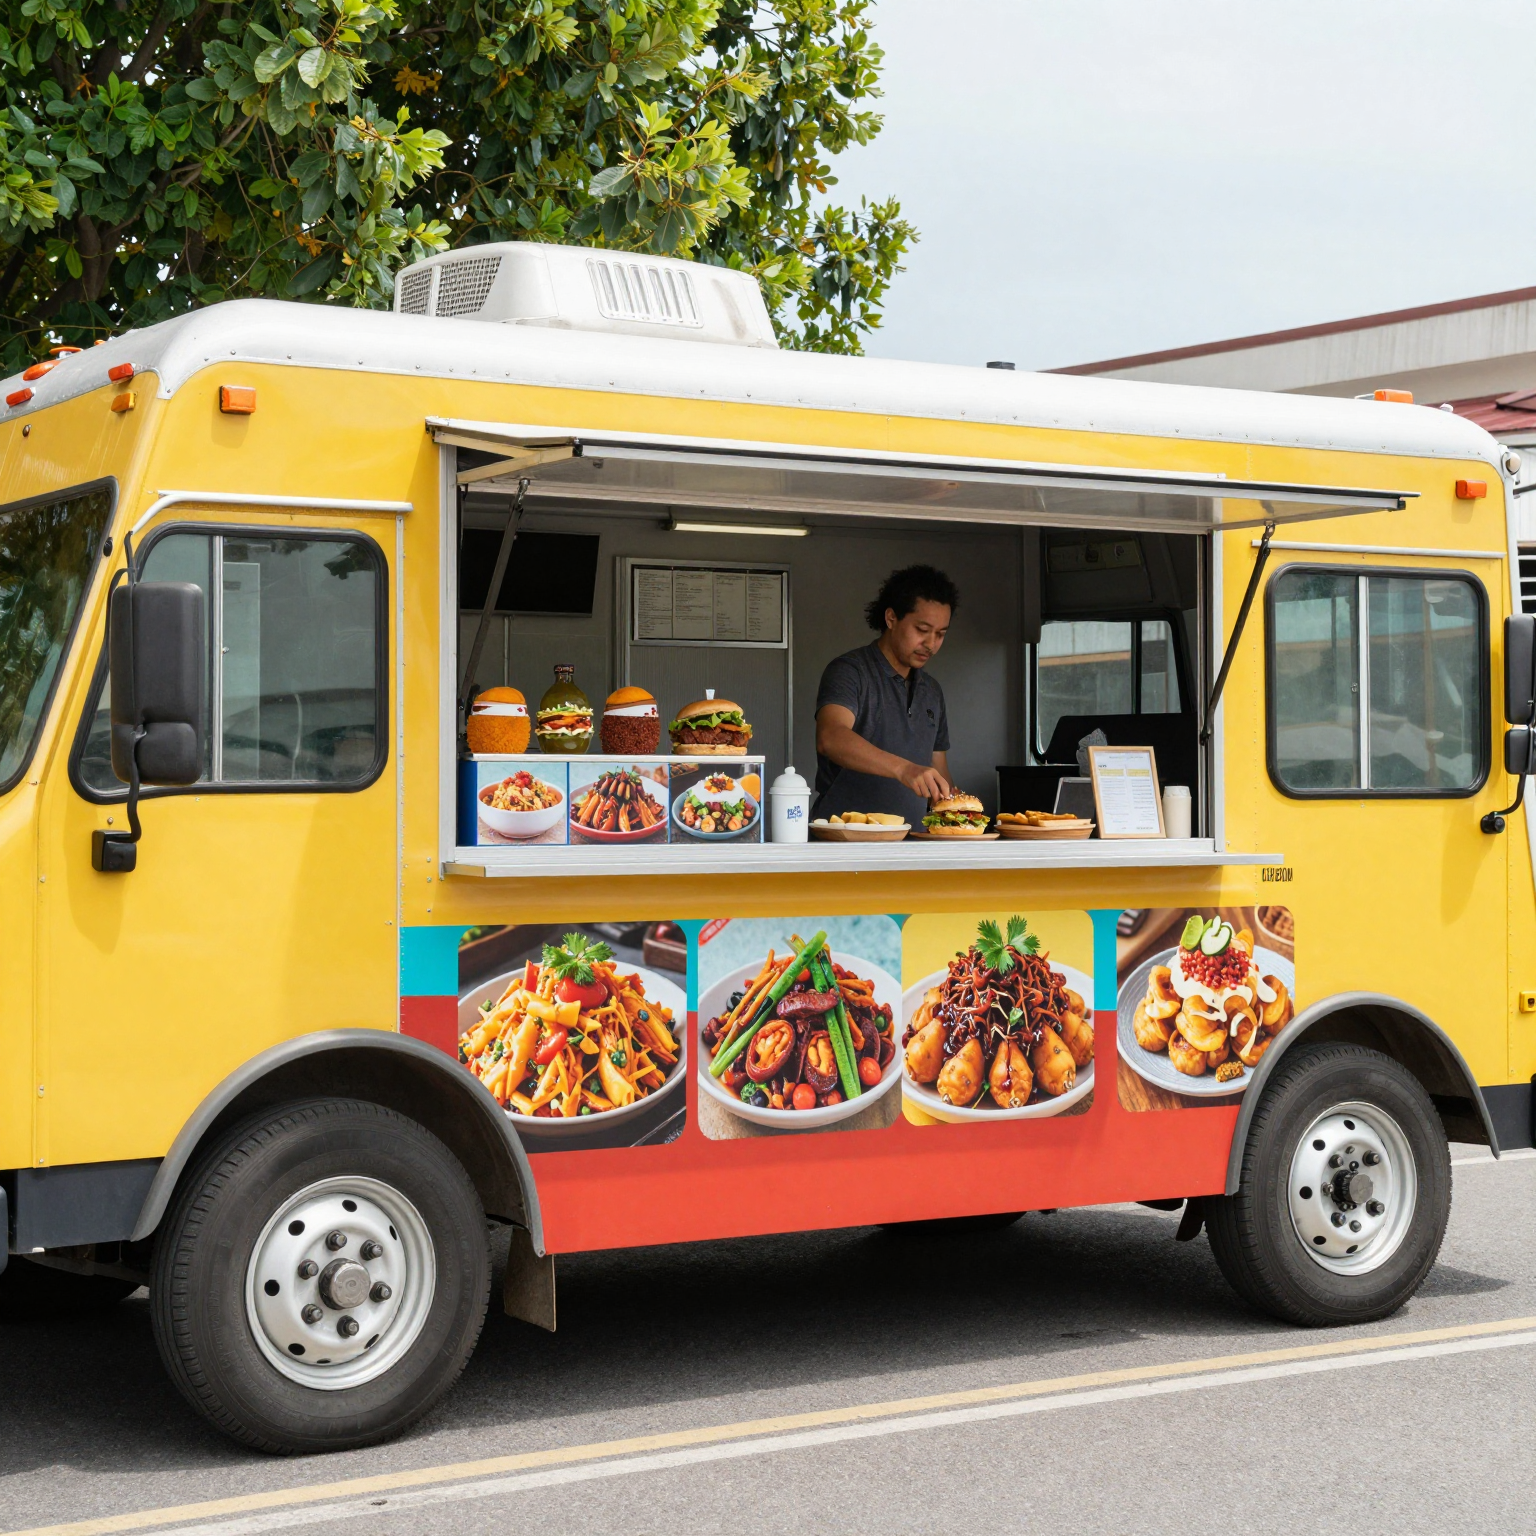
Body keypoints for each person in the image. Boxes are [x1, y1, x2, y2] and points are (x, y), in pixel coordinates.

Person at [813, 565, 957, 826]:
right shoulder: (850, 671)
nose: (931, 643)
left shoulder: (932, 690)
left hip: (911, 840)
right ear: (891, 618)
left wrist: (954, 804)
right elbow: (831, 737)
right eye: (922, 630)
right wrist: (904, 769)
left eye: (940, 634)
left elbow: (938, 768)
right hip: (845, 840)